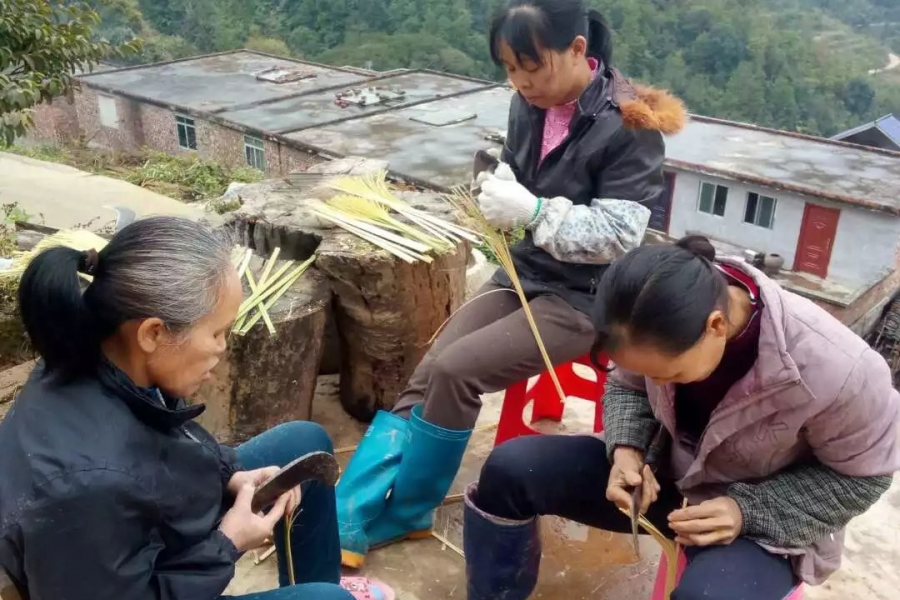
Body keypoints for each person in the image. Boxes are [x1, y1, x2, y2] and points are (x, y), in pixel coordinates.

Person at [336, 0, 687, 569]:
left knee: (457, 371)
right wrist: (499, 186)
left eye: (533, 67)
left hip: (587, 297)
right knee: (432, 366)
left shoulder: (630, 126)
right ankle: (353, 505)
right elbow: (518, 178)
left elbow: (620, 235)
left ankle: (409, 510)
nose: (521, 82)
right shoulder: (526, 104)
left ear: (579, 50)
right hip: (523, 270)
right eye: (509, 68)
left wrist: (533, 211)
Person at [461, 236, 900, 599]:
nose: (654, 380)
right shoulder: (649, 313)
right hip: (664, 481)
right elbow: (627, 386)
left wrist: (748, 512)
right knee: (511, 470)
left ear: (715, 326)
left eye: (667, 374)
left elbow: (864, 478)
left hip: (762, 515)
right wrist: (627, 452)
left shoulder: (841, 371)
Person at [0, 217, 390, 600]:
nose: (222, 348)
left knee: (304, 442)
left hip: (138, 521)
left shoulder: (104, 358)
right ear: (153, 333)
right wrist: (228, 543)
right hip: (130, 572)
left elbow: (169, 442)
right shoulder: (86, 488)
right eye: (217, 332)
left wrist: (230, 474)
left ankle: (315, 583)